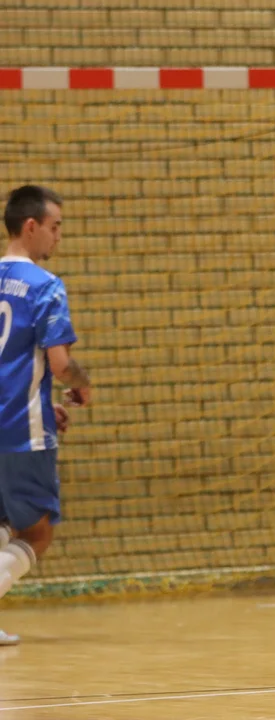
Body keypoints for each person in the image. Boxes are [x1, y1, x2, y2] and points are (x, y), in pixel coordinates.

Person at [0, 185, 92, 644]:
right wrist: (82, 385)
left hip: (15, 414)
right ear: (30, 226)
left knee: (1, 525)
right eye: (55, 228)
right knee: (36, 533)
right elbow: (59, 364)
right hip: (21, 428)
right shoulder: (45, 286)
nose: (58, 237)